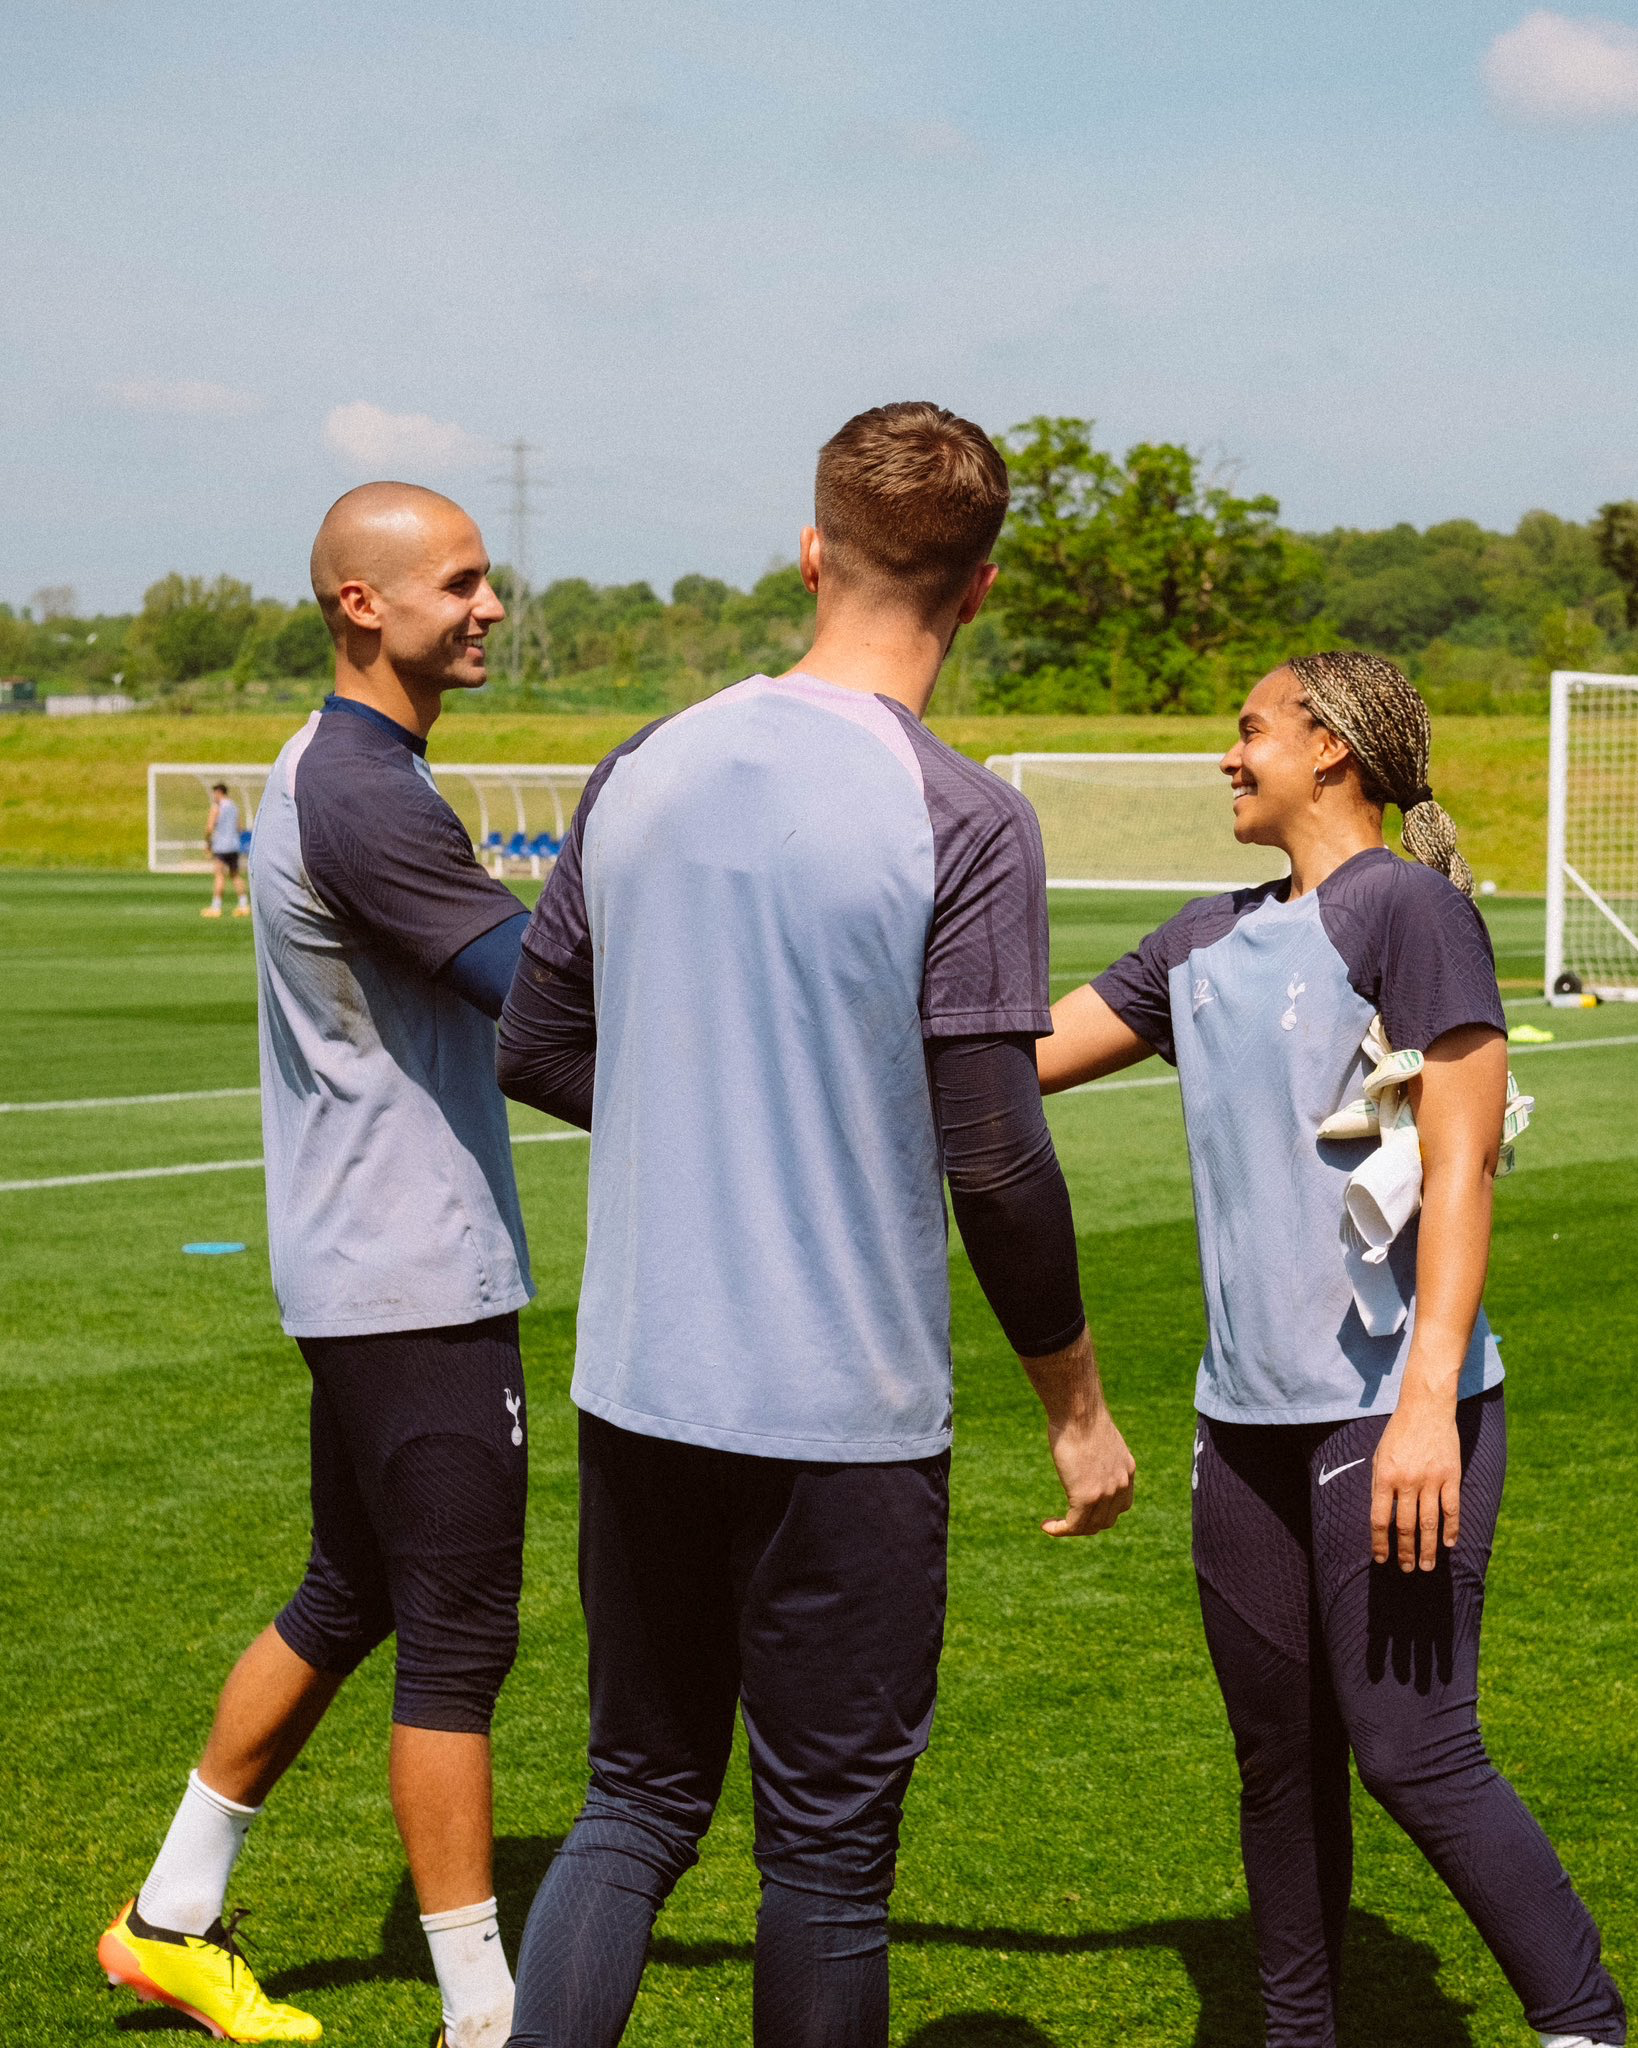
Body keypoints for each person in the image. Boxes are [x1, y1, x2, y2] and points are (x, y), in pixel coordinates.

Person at [494, 402, 1136, 2048]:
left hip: (641, 1383)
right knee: (829, 1863)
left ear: (807, 550)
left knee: (631, 1799)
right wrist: (1073, 1405)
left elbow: (538, 1043)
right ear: (978, 589)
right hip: (839, 1418)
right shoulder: (963, 815)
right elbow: (993, 1156)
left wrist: (705, 1120)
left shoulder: (642, 761)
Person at [1040, 651, 1626, 2048]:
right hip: (1236, 1424)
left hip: (1391, 1416)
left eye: (1247, 730)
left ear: (1329, 750)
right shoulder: (1195, 942)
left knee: (1414, 1752)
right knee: (1277, 1762)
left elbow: (1462, 1162)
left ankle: (1585, 2027)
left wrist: (1424, 1406)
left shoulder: (1404, 912)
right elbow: (1021, 1052)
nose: (1225, 757)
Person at [100, 484, 537, 2048]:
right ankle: (486, 2016)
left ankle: (168, 1920)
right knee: (459, 1635)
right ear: (365, 601)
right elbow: (538, 1012)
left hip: (368, 1266)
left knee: (349, 1592)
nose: (489, 606)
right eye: (462, 583)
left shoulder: (347, 770)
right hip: (416, 1280)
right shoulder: (360, 788)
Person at [203, 781, 251, 919]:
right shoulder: (234, 807)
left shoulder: (217, 807)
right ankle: (243, 905)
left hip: (221, 846)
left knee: (219, 875)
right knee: (235, 875)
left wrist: (208, 842)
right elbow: (240, 827)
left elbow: (210, 827)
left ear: (219, 792)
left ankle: (216, 907)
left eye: (214, 793)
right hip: (234, 846)